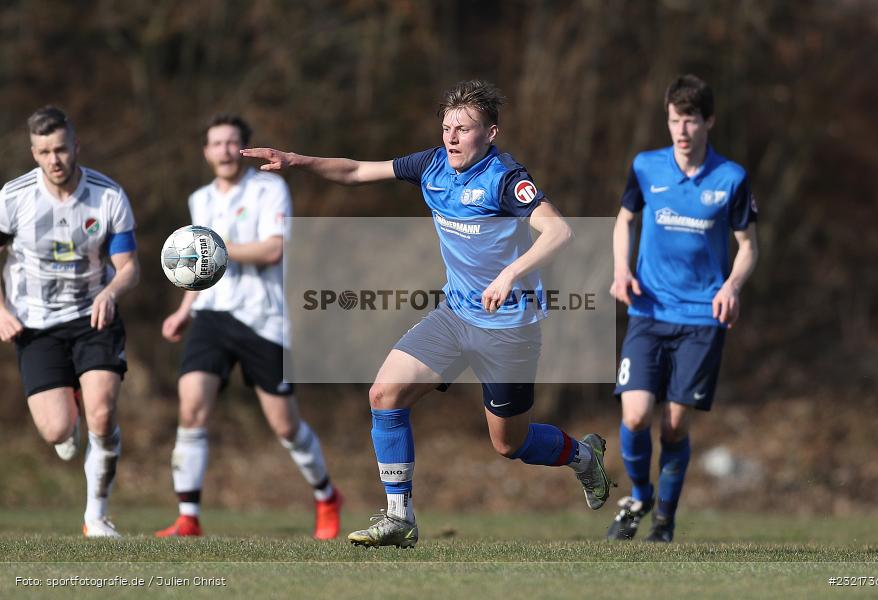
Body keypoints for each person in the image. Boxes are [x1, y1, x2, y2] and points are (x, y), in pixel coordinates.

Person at [242, 80, 613, 549]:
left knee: (509, 445)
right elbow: (357, 171)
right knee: (384, 393)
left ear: (491, 133)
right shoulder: (431, 165)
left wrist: (509, 275)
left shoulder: (506, 178)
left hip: (508, 328)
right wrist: (298, 161)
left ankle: (583, 457)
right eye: (447, 127)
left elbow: (559, 232)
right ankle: (400, 517)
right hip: (454, 315)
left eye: (464, 128)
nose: (452, 137)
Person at [155, 114, 342, 539]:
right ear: (205, 151)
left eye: (231, 142)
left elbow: (273, 250)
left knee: (284, 426)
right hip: (212, 316)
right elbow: (198, 270)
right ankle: (188, 517)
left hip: (264, 318)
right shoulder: (199, 200)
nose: (222, 150)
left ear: (243, 148)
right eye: (215, 142)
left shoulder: (269, 188)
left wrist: (214, 248)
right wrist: (186, 308)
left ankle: (327, 495)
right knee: (191, 408)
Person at [607, 75, 759, 543]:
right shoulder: (646, 167)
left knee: (673, 426)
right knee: (635, 416)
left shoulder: (730, 178)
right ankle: (638, 495)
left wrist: (732, 285)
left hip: (700, 319)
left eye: (691, 120)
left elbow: (749, 245)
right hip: (648, 310)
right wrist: (621, 270)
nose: (682, 130)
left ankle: (665, 521)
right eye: (675, 120)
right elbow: (624, 219)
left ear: (708, 121)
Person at [0, 106, 140, 537]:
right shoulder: (12, 198)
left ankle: (96, 517)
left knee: (102, 411)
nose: (54, 159)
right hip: (34, 323)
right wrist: (0, 309)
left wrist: (110, 291)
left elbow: (129, 266)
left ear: (76, 146)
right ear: (34, 152)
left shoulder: (108, 196)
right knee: (57, 429)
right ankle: (69, 411)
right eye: (44, 152)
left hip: (93, 316)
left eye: (61, 149)